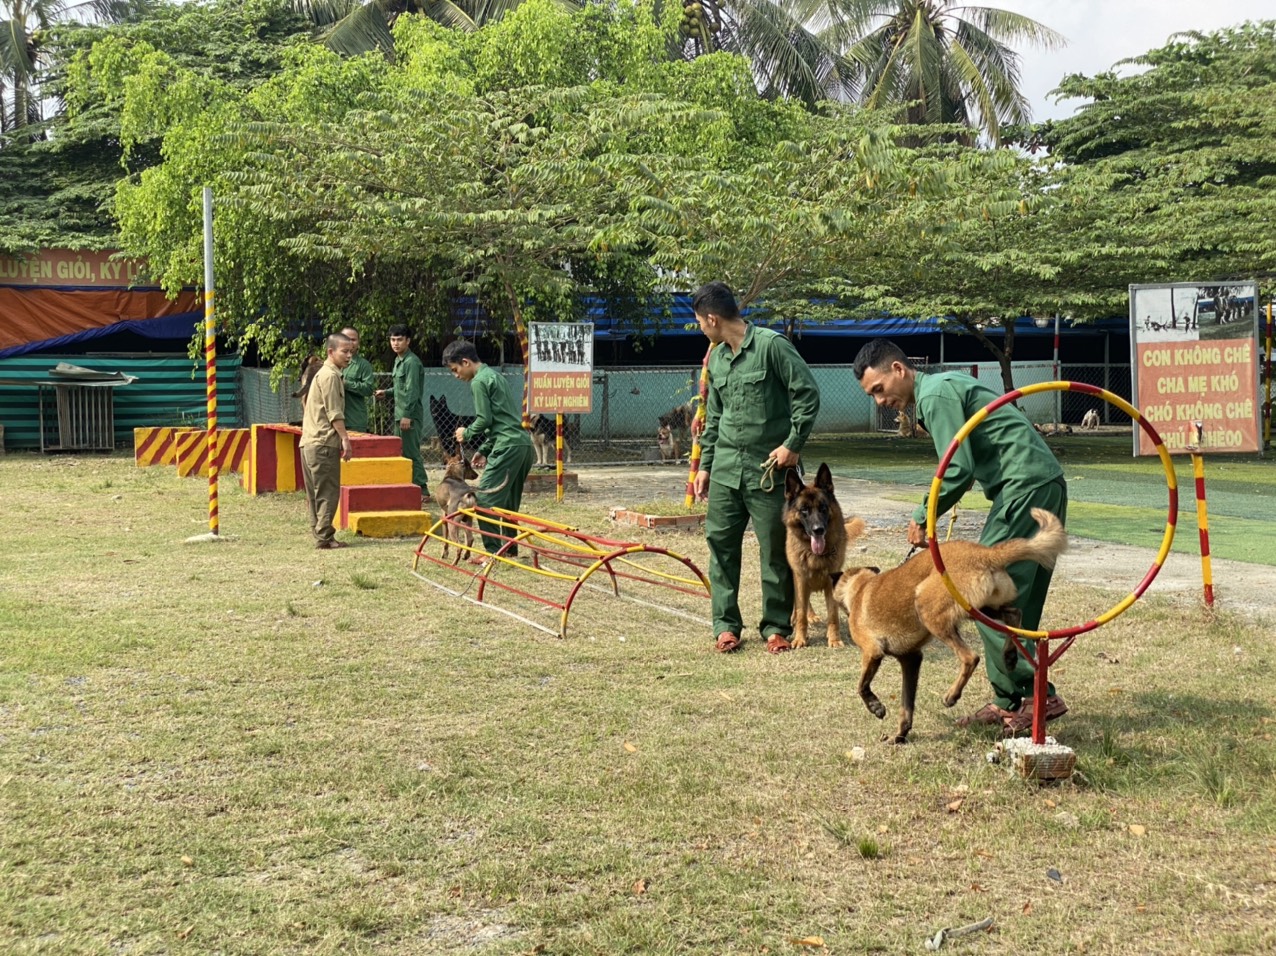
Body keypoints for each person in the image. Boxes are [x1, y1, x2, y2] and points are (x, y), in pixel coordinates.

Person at [852, 338, 1068, 734]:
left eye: (879, 390)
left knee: (984, 601)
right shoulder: (942, 388)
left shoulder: (934, 395)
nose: (880, 402)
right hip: (1042, 480)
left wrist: (923, 516)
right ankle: (1010, 701)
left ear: (899, 369)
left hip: (1023, 485)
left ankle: (1039, 697)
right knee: (1016, 603)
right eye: (871, 396)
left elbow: (956, 468)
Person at [691, 281, 820, 655]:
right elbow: (715, 416)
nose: (701, 328)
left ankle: (776, 626)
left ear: (713, 319)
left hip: (769, 472)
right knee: (721, 547)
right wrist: (705, 466)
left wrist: (792, 445)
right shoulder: (716, 358)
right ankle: (726, 626)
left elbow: (806, 394)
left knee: (775, 551)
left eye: (701, 322)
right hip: (728, 470)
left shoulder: (771, 347)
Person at [443, 338, 534, 562]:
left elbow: (484, 420)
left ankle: (492, 553)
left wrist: (467, 433)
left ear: (465, 362)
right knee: (508, 504)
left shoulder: (478, 382)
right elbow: (503, 419)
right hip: (522, 445)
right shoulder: (494, 376)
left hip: (507, 447)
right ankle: (509, 550)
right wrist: (484, 448)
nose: (456, 376)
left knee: (482, 500)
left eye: (455, 370)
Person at [300, 332, 355, 549]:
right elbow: (334, 413)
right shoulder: (330, 376)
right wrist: (345, 439)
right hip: (323, 442)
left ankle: (320, 533)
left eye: (351, 351)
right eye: (345, 351)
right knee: (328, 492)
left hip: (308, 442)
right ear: (330, 352)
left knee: (315, 492)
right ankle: (324, 537)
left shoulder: (321, 374)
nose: (349, 355)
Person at [374, 323, 428, 497]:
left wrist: (407, 415)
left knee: (411, 452)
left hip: (408, 416)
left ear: (408, 341)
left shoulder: (411, 362)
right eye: (392, 339)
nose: (395, 343)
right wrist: (386, 393)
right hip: (400, 414)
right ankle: (408, 487)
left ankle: (423, 490)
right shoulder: (398, 360)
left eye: (399, 340)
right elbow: (401, 389)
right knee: (401, 451)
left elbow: (413, 391)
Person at [340, 326, 375, 433]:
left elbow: (369, 389)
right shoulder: (332, 363)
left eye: (353, 339)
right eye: (346, 339)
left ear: (358, 342)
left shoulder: (363, 365)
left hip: (354, 421)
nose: (350, 342)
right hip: (333, 420)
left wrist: (346, 384)